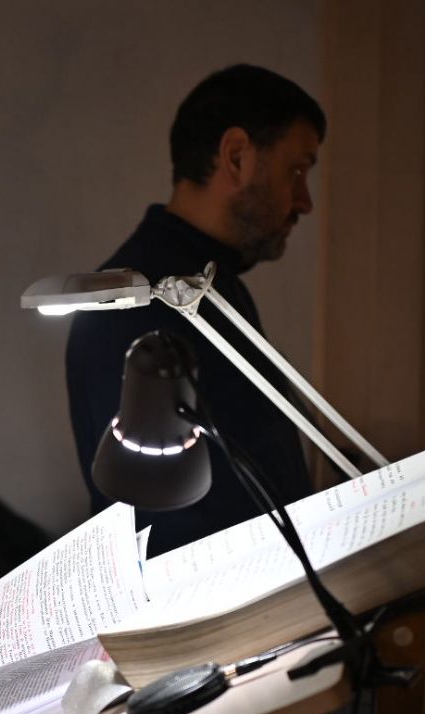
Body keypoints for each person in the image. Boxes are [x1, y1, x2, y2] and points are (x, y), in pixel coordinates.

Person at [65, 64, 327, 557]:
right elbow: (159, 521)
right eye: (297, 170)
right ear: (237, 156)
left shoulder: (213, 284)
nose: (305, 200)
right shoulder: (136, 299)